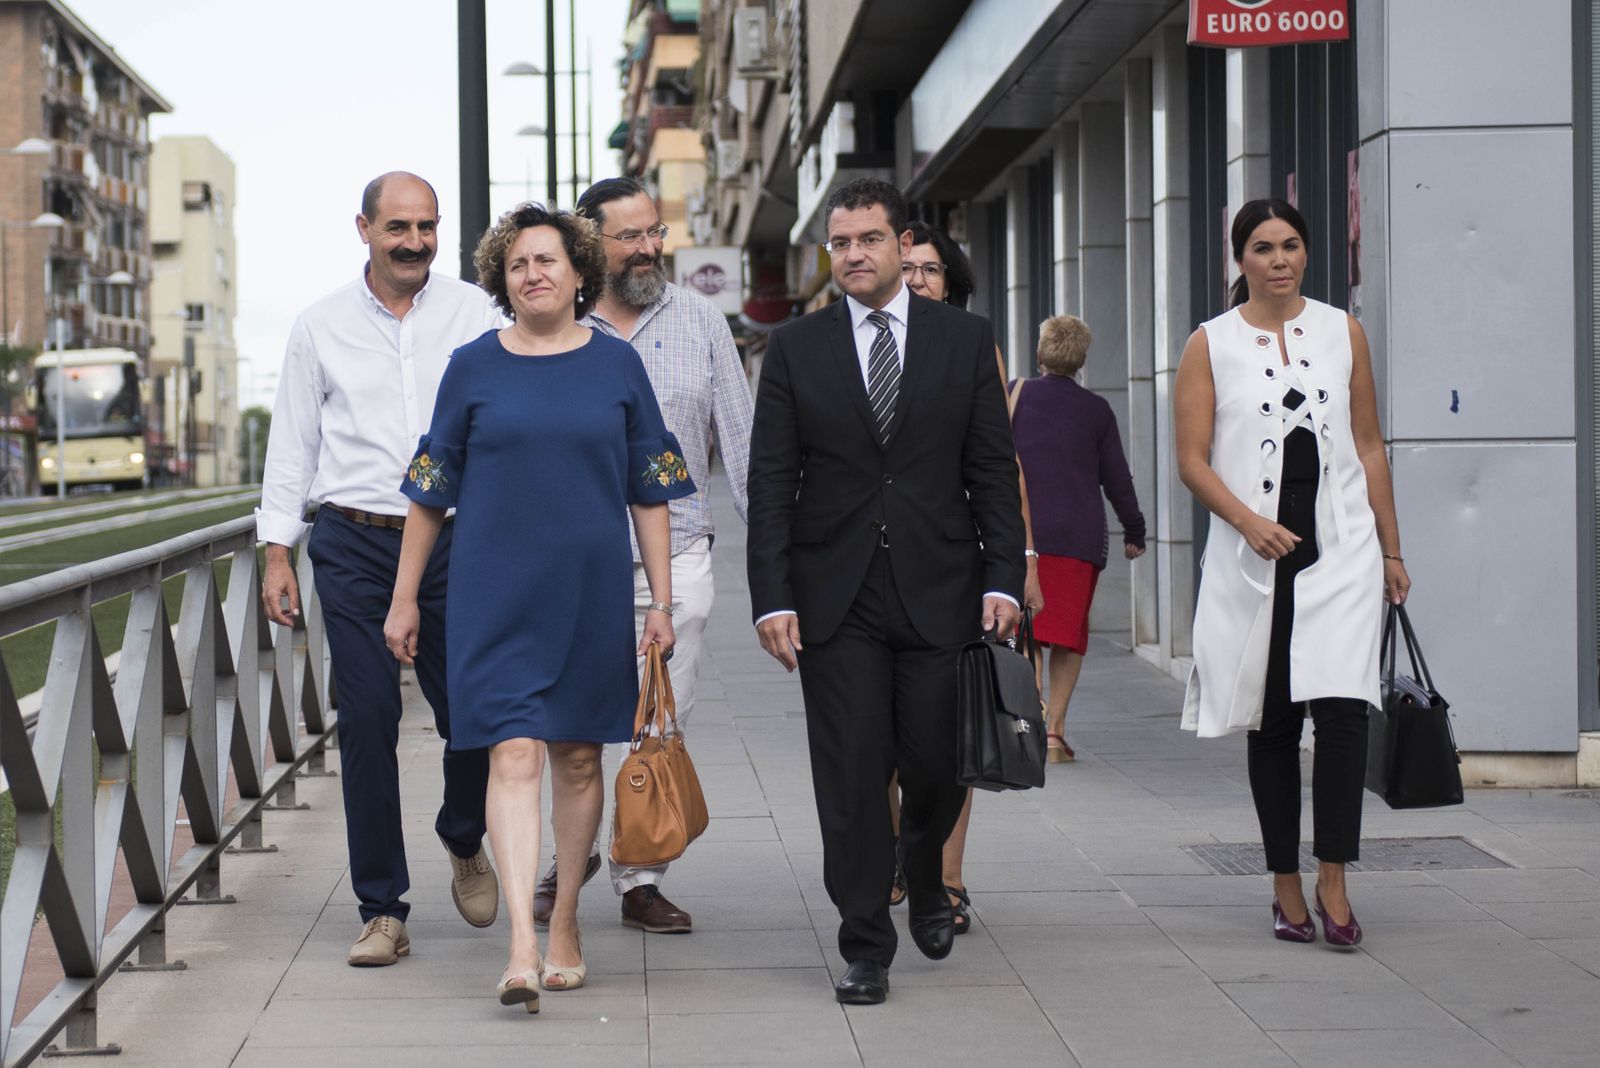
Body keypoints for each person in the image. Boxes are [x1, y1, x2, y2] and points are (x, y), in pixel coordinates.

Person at [383, 202, 693, 1011]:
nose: (534, 274)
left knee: (581, 758)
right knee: (511, 755)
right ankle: (524, 940)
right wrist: (405, 597)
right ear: (501, 279)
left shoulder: (618, 365)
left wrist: (661, 601)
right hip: (493, 594)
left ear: (580, 273)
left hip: (589, 594)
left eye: (548, 260)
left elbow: (650, 491)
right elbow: (429, 494)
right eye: (518, 264)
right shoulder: (472, 367)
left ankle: (567, 927)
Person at [746, 177, 1024, 1005]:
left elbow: (991, 473)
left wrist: (1005, 576)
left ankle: (925, 870)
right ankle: (865, 940)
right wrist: (773, 596)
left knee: (938, 761)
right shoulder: (797, 348)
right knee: (852, 773)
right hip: (836, 598)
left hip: (941, 587)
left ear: (903, 245)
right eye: (840, 244)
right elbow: (771, 481)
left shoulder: (964, 342)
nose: (854, 255)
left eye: (869, 239)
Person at [257, 171, 500, 968]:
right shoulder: (319, 325)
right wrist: (276, 553)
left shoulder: (475, 311)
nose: (415, 243)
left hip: (459, 542)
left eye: (427, 227)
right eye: (398, 227)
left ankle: (463, 835)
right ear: (363, 228)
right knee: (367, 720)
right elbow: (292, 444)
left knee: (472, 713)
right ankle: (382, 908)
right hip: (355, 542)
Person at [1174, 198, 1410, 948]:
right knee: (1274, 721)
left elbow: (1370, 444)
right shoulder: (1208, 344)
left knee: (1343, 715)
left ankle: (1334, 878)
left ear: (1308, 253)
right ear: (1238, 259)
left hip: (1340, 547)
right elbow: (1190, 460)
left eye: (1293, 245)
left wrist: (1392, 549)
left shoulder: (1344, 331)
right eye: (1264, 248)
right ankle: (1284, 883)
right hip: (1258, 554)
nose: (1280, 259)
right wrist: (1248, 522)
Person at [526, 177, 753, 937]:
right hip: (575, 559)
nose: (651, 247)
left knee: (658, 718)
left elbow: (743, 444)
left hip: (679, 554)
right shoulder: (559, 323)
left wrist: (781, 573)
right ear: (591, 244)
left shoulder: (700, 321)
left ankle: (639, 877)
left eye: (655, 231)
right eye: (631, 236)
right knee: (574, 719)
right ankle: (573, 853)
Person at [896, 221, 1044, 935]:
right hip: (884, 566)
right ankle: (906, 856)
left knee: (952, 735)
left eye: (928, 269)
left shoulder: (969, 347)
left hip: (956, 569)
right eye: (908, 268)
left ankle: (948, 878)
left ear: (949, 280)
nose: (917, 278)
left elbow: (1000, 466)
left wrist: (1022, 565)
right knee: (889, 746)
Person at [1010, 315, 1146, 762]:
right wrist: (1134, 528)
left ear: (1039, 353)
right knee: (1067, 634)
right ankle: (1055, 733)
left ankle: (1028, 721)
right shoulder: (1096, 411)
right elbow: (1116, 478)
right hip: (1077, 538)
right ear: (1082, 360)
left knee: (1027, 630)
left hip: (1021, 532)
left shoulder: (1013, 395)